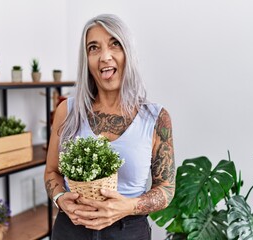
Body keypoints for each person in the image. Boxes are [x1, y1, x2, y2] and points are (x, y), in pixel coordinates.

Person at [44, 14, 175, 240]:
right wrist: (60, 199)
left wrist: (127, 206)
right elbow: (51, 172)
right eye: (93, 48)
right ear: (86, 59)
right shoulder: (67, 111)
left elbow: (166, 188)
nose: (105, 56)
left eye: (114, 44)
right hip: (71, 230)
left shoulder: (155, 118)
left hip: (128, 232)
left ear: (128, 53)